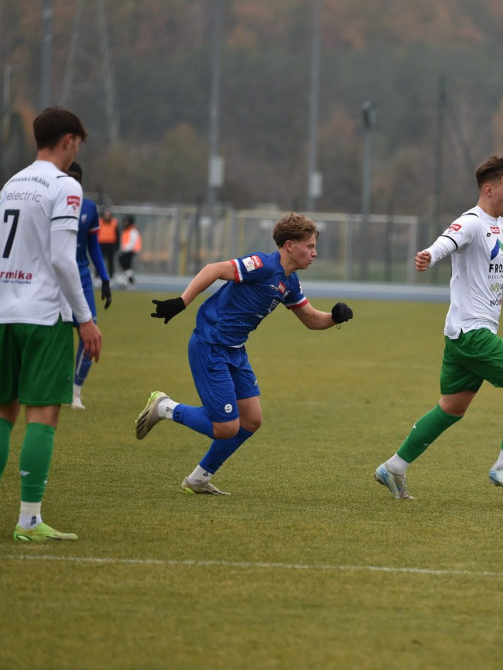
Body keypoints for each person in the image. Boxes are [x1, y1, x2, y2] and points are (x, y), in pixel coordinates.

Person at [373, 154, 503, 500]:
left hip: (465, 334)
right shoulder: (471, 222)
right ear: (489, 189)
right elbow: (446, 242)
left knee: (452, 408)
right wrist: (429, 255)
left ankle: (394, 467)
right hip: (472, 333)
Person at [134, 212, 354, 495]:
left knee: (251, 421)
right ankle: (164, 407)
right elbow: (214, 269)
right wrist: (181, 302)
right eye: (310, 246)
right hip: (210, 345)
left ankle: (198, 479)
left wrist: (335, 317)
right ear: (289, 246)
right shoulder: (262, 264)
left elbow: (311, 319)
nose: (315, 253)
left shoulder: (290, 281)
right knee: (225, 427)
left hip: (236, 351)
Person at [0, 106, 102, 542]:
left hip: (4, 312)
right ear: (68, 141)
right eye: (77, 143)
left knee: (3, 413)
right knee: (42, 415)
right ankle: (29, 520)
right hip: (44, 315)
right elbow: (63, 259)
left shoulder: (11, 184)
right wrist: (85, 320)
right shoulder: (65, 186)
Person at [66, 161, 112, 410]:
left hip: (82, 280)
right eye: (69, 177)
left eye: (77, 178)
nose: (73, 182)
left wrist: (104, 278)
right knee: (57, 337)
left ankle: (75, 393)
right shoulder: (51, 202)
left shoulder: (89, 208)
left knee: (90, 335)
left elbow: (93, 245)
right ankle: (57, 388)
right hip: (55, 280)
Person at [117, 214, 140, 287]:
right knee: (127, 266)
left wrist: (125, 249)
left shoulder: (133, 230)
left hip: (130, 250)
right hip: (127, 250)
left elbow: (132, 241)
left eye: (126, 221)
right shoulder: (127, 230)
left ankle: (130, 280)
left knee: (125, 264)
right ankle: (129, 279)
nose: (125, 223)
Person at [97, 205, 119, 282]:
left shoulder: (114, 222)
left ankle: (111, 277)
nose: (107, 215)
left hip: (111, 244)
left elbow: (117, 234)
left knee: (110, 262)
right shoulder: (99, 221)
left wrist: (117, 246)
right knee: (99, 261)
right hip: (101, 243)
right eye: (105, 213)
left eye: (108, 213)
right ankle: (98, 277)